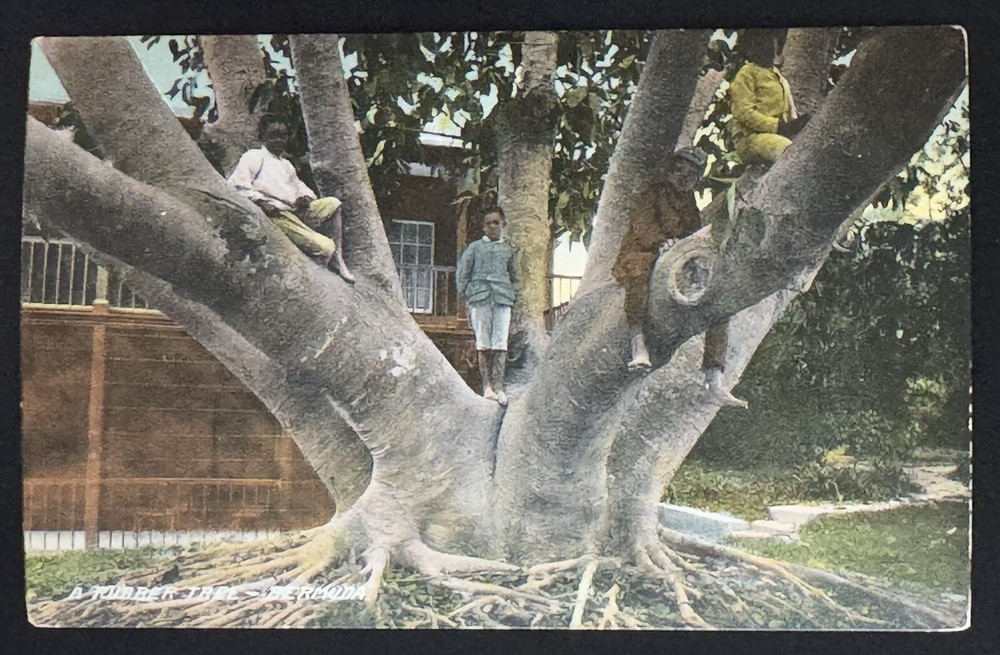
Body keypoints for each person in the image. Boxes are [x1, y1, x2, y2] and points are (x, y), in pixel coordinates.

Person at [612, 147, 747, 408]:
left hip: (673, 257)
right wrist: (662, 242)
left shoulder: (688, 203)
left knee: (717, 300)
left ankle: (713, 376)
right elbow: (642, 228)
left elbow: (693, 232)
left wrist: (684, 246)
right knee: (638, 277)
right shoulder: (651, 194)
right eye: (680, 170)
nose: (684, 178)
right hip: (643, 252)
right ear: (671, 169)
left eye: (692, 175)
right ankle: (637, 341)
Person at [227, 120, 355, 283]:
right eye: (273, 137)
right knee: (325, 247)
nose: (279, 141)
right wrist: (261, 202)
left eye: (282, 137)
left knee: (333, 203)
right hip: (276, 215)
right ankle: (322, 260)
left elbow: (299, 186)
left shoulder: (286, 164)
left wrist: (305, 197)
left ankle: (338, 257)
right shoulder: (254, 157)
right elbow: (237, 187)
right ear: (262, 137)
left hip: (294, 210)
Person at [456, 208, 518, 406]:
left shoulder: (508, 249)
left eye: (496, 222)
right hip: (480, 298)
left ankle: (499, 387)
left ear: (502, 225)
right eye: (489, 223)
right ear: (483, 227)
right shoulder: (474, 248)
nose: (493, 226)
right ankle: (487, 387)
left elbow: (516, 277)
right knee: (483, 343)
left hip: (502, 299)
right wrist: (469, 293)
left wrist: (511, 294)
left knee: (500, 344)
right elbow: (462, 275)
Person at [728, 29, 810, 165]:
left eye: (770, 44)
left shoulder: (777, 75)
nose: (767, 48)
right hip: (751, 139)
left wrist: (797, 123)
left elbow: (787, 108)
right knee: (788, 152)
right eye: (759, 45)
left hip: (775, 136)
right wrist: (778, 126)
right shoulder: (746, 73)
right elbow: (744, 113)